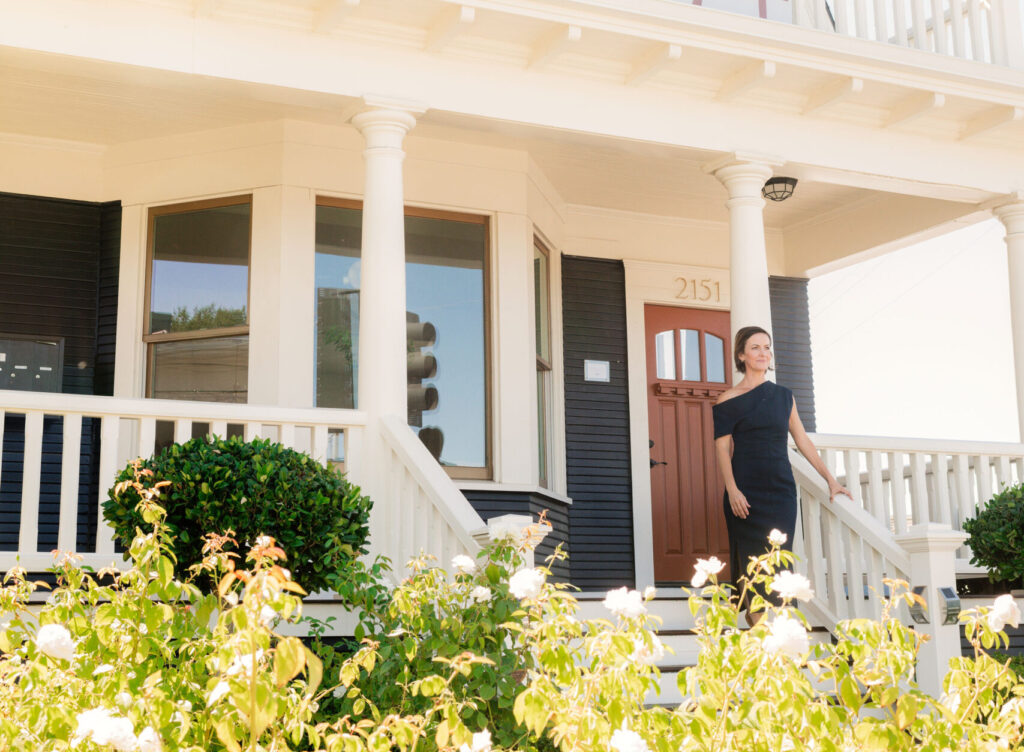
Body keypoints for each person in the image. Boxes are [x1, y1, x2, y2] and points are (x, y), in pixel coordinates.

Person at [712, 325, 850, 624]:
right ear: (741, 355)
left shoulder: (783, 396)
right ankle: (759, 631)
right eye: (755, 347)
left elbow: (802, 440)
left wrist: (831, 479)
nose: (763, 353)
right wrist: (733, 490)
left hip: (780, 492)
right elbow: (723, 450)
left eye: (766, 347)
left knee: (776, 564)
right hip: (745, 492)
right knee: (753, 567)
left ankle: (767, 637)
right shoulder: (727, 400)